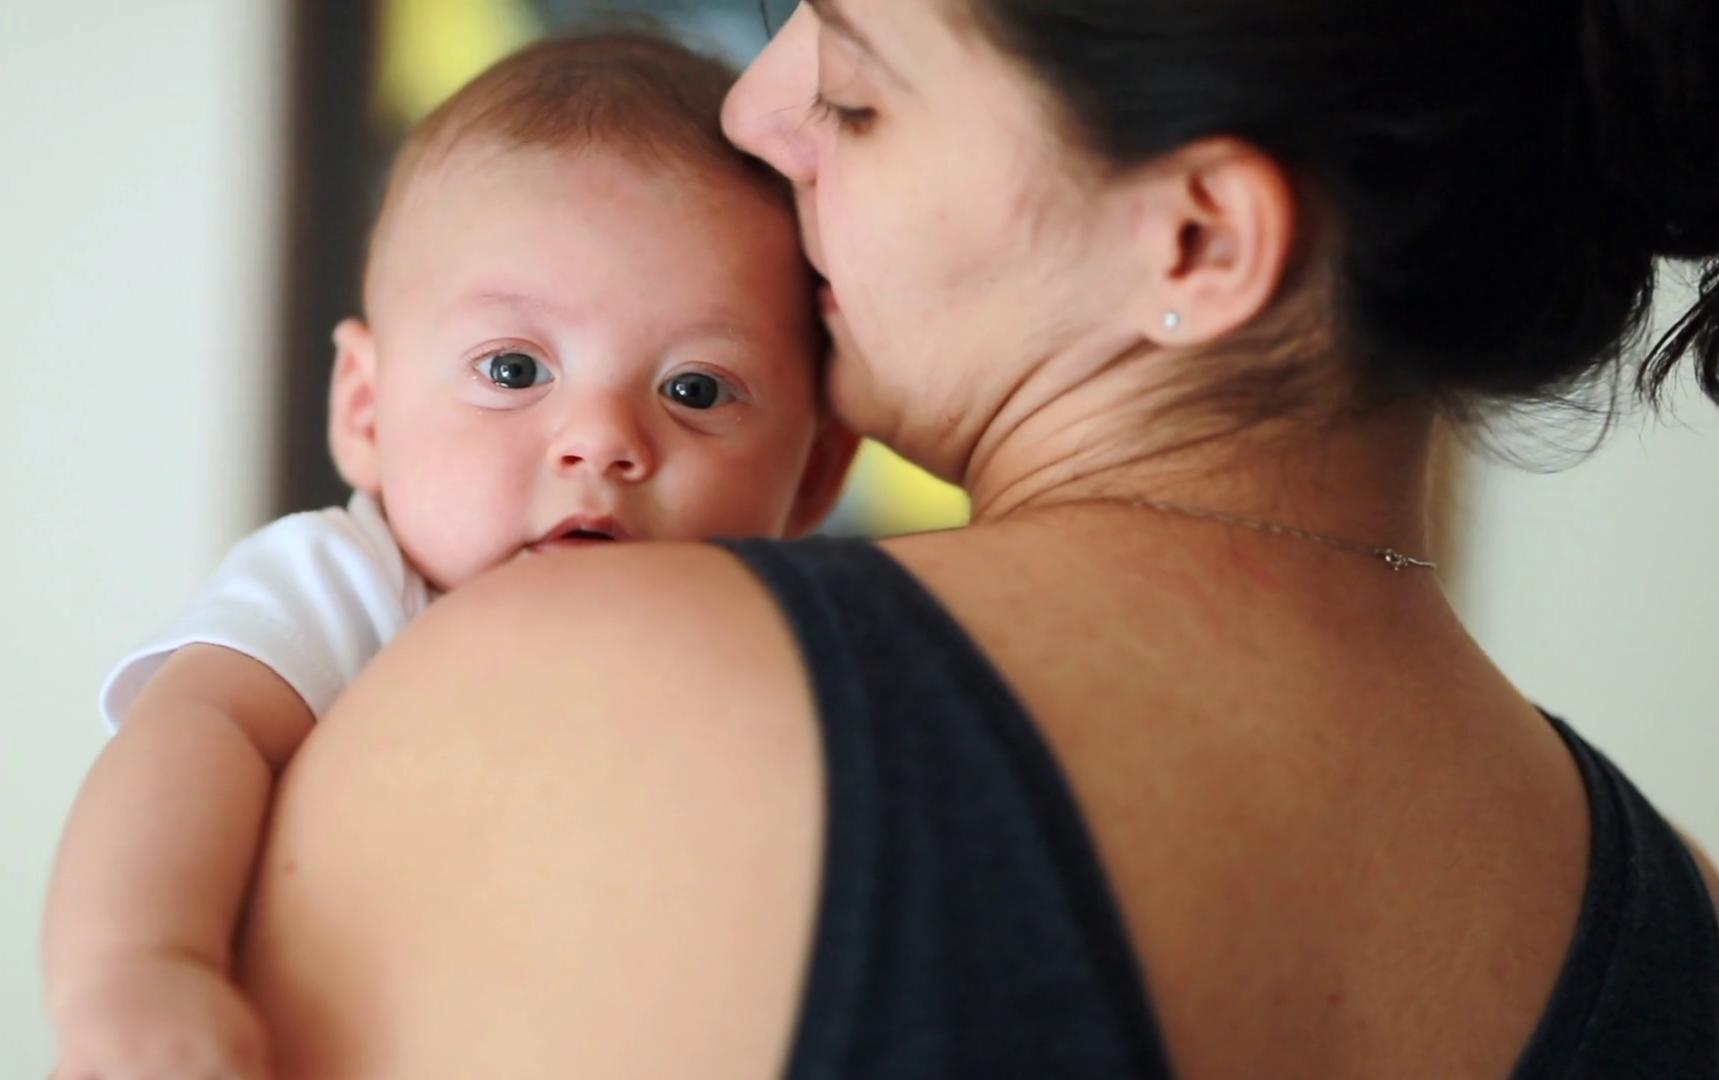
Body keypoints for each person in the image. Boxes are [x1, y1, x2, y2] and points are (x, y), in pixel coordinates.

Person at [238, 0, 1719, 1076]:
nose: (758, 113)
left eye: (861, 91)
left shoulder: (583, 688)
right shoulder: (1684, 923)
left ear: (1194, 241)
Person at [41, 33, 856, 1080]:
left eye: (696, 389)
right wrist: (138, 970)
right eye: (514, 368)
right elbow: (191, 735)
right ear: (366, 408)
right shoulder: (351, 588)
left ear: (816, 473)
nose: (599, 439)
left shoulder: (798, 658)